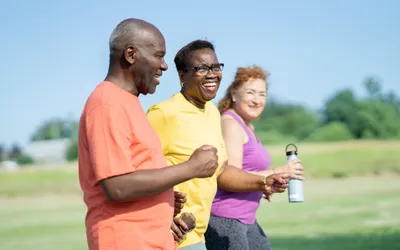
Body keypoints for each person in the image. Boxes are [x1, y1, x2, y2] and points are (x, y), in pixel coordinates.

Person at [78, 19, 220, 250]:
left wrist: (161, 197)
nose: (164, 66)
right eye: (158, 56)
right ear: (131, 54)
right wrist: (191, 168)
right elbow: (117, 186)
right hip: (125, 240)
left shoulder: (129, 103)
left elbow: (133, 173)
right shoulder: (107, 103)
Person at [146, 40, 296, 250]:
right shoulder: (162, 114)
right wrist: (160, 212)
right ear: (182, 76)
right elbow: (138, 172)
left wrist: (264, 181)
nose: (212, 74)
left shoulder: (212, 113)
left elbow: (222, 171)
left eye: (216, 67)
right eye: (201, 68)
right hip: (172, 235)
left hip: (199, 232)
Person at [204, 66, 305, 250]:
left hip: (246, 220)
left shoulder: (247, 126)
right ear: (234, 94)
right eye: (251, 93)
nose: (257, 100)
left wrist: (264, 185)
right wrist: (277, 172)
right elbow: (228, 176)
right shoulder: (230, 123)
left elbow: (247, 173)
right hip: (227, 220)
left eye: (262, 94)